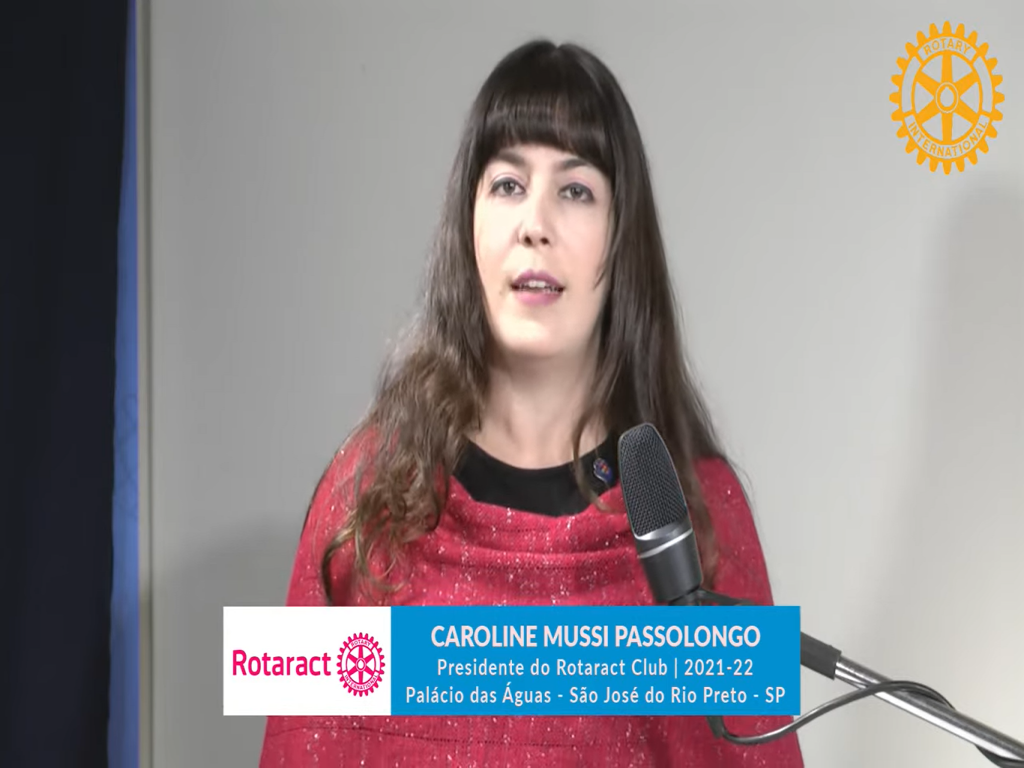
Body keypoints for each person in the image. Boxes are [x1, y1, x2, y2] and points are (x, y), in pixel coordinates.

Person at [259, 38, 804, 767]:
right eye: (508, 184)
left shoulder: (698, 514)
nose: (534, 223)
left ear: (622, 240)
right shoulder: (366, 496)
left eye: (575, 191)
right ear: (468, 224)